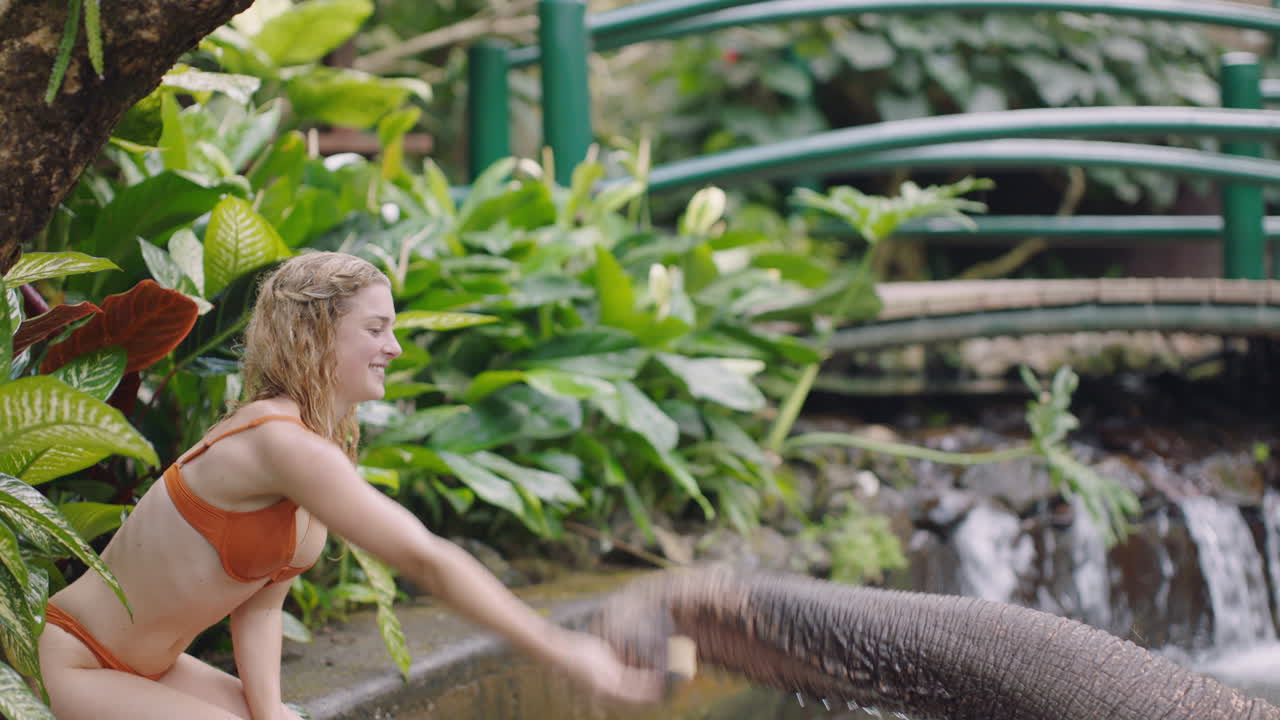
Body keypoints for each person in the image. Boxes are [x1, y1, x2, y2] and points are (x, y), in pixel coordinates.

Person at [38, 251, 661, 720]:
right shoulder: (278, 443)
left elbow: (259, 603)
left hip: (157, 669)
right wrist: (559, 648)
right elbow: (426, 559)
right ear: (314, 335)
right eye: (376, 329)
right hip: (74, 659)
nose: (393, 347)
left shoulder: (312, 443)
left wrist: (269, 711)